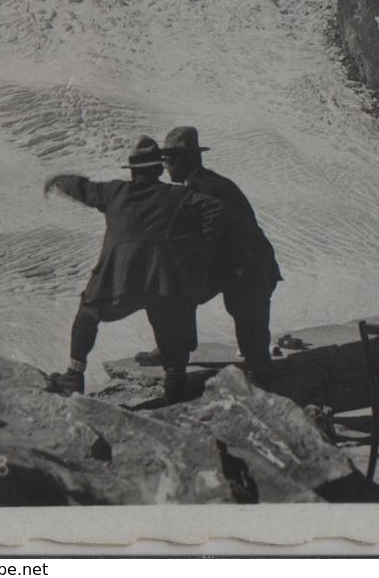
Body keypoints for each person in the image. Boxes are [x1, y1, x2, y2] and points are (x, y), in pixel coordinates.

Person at [45, 136, 215, 405]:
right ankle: (175, 379)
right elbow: (214, 209)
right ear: (159, 169)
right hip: (161, 279)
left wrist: (58, 179)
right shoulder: (176, 196)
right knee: (173, 315)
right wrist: (195, 246)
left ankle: (74, 376)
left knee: (88, 313)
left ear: (132, 171)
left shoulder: (114, 192)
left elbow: (82, 188)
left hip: (117, 279)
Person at [160, 126, 283, 388]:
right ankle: (176, 350)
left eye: (167, 162)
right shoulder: (205, 183)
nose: (165, 169)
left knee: (251, 336)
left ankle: (267, 398)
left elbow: (230, 237)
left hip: (248, 269)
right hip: (238, 268)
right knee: (184, 295)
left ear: (180, 161)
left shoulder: (205, 189)